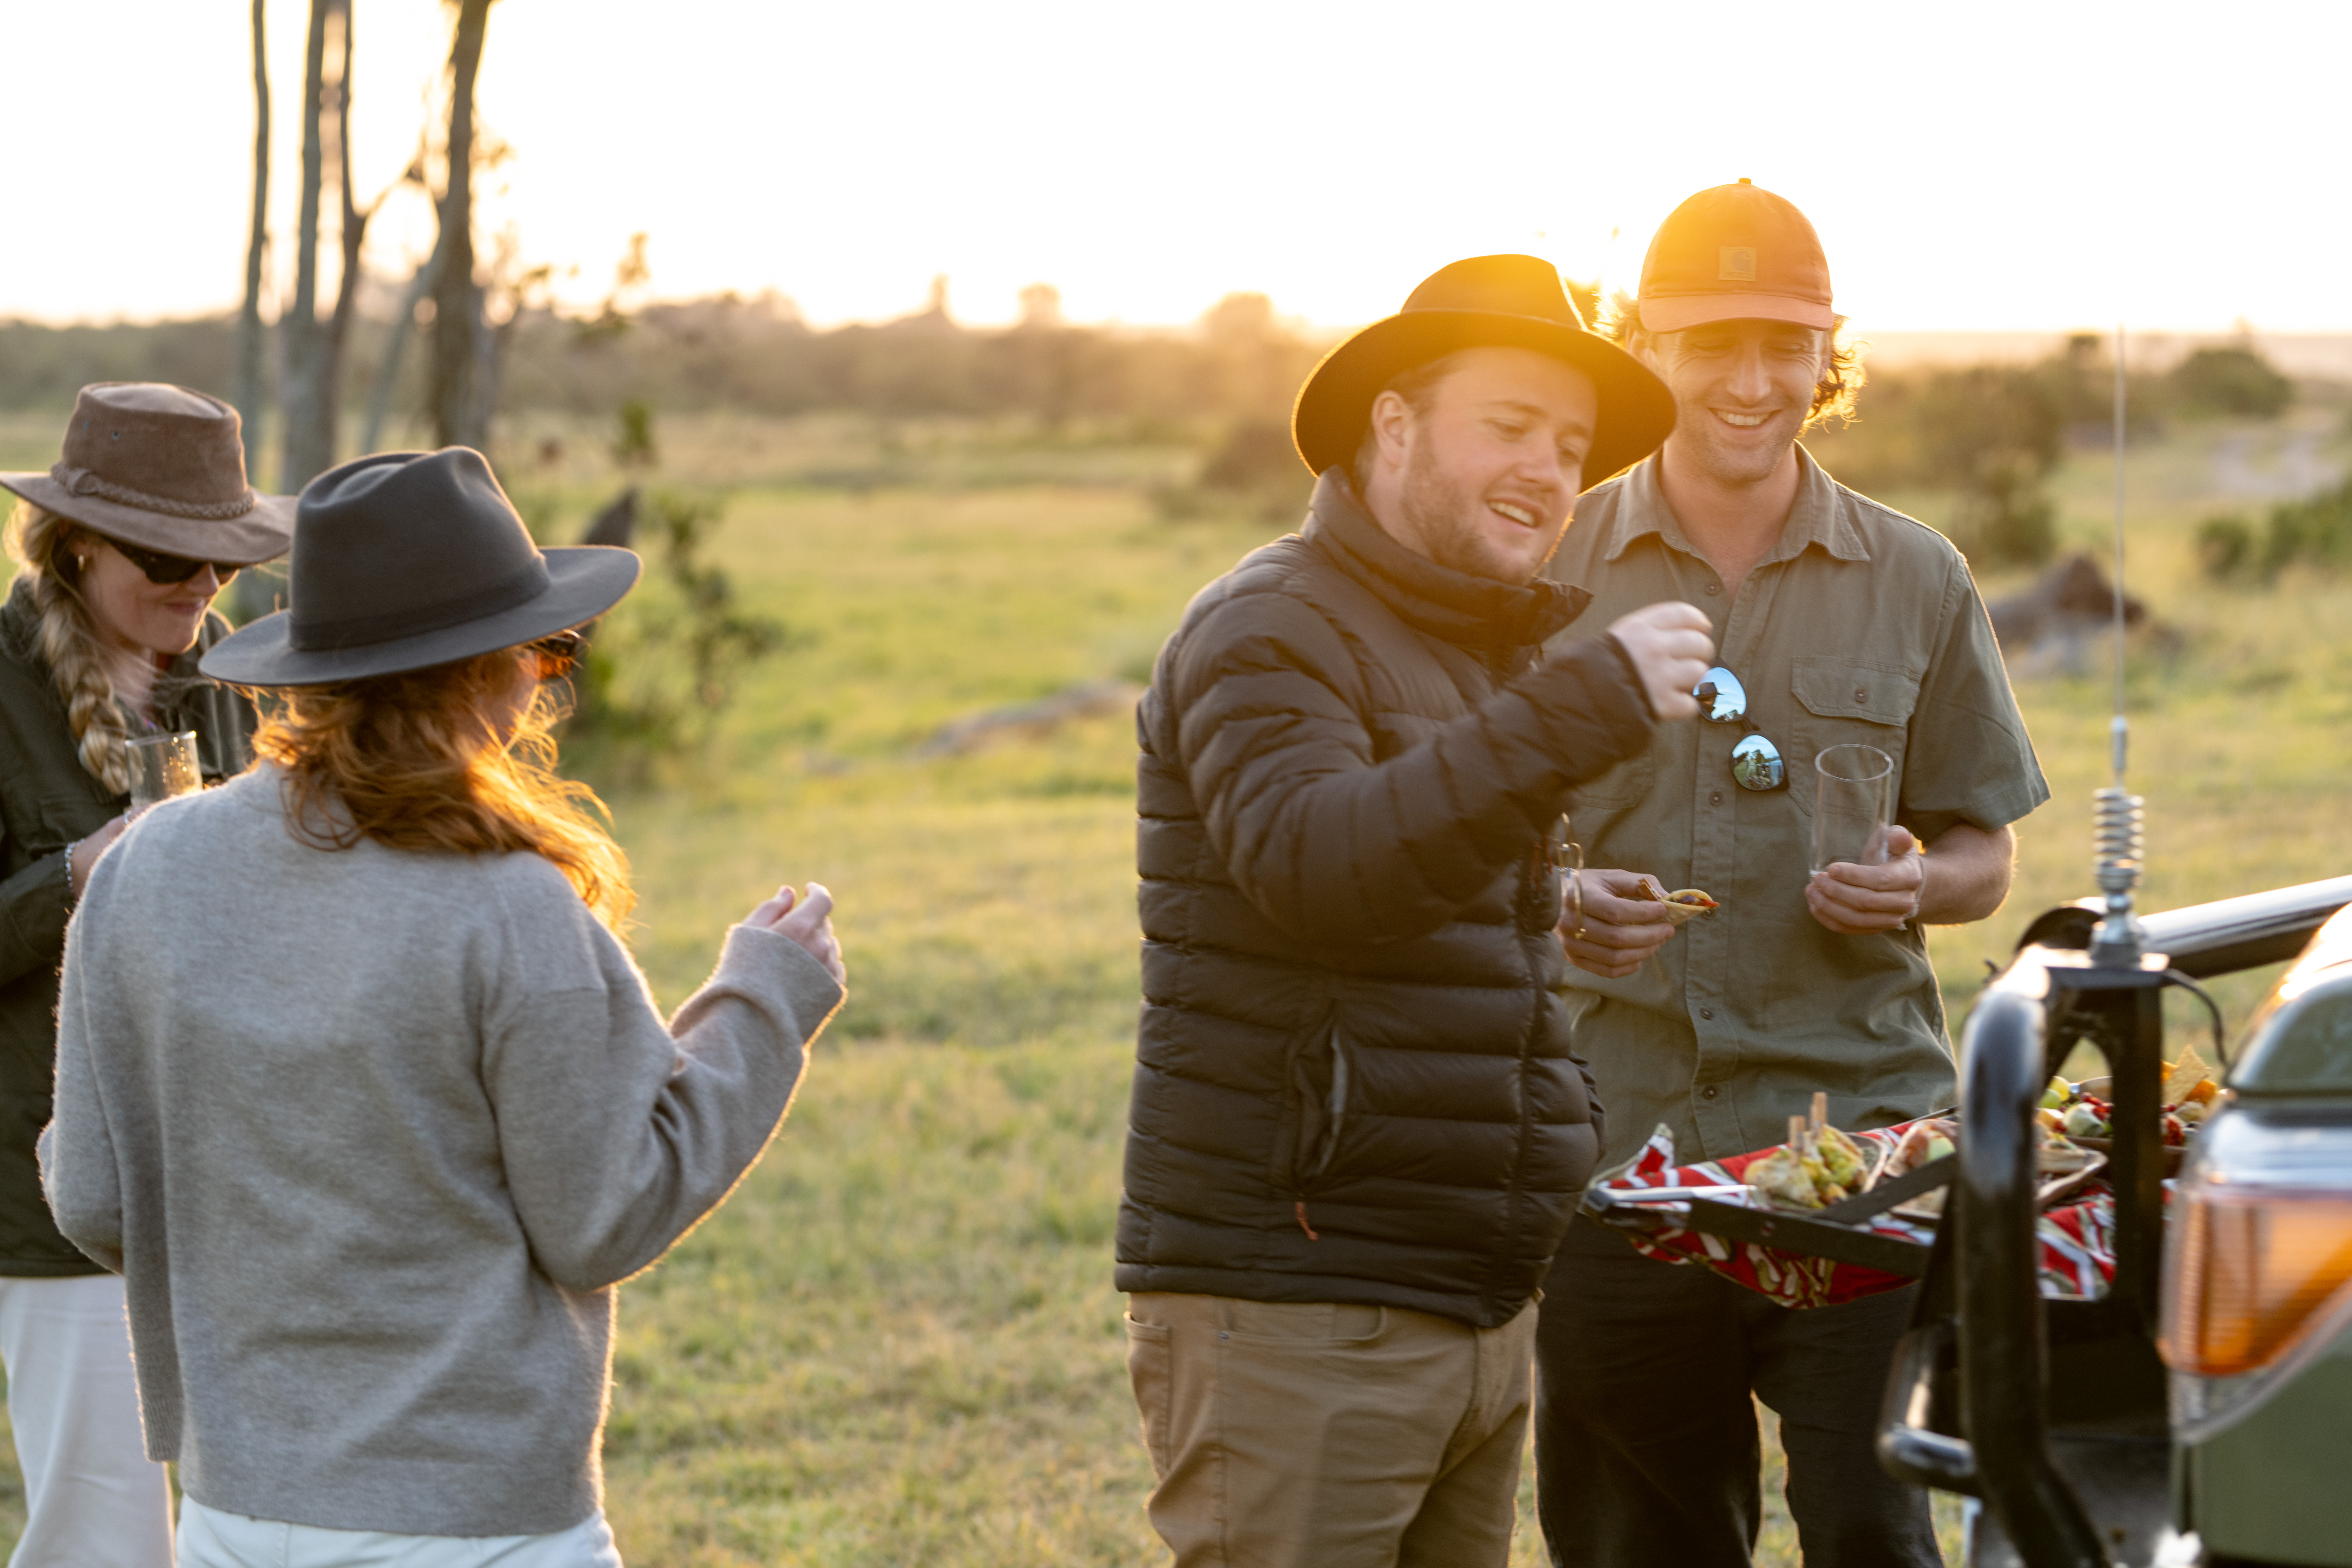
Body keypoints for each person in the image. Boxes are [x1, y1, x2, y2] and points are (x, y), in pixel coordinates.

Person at [40, 446, 847, 1567]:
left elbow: (90, 1195)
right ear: (485, 670)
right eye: (546, 648)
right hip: (479, 1524)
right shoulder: (511, 905)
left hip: (234, 1514)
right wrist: (763, 997)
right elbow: (602, 1219)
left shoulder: (145, 864)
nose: (549, 680)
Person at [1115, 254, 1716, 1567]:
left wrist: (1550, 901)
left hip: (1472, 1293)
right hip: (1305, 1302)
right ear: (1393, 423)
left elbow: (1405, 854)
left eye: (1569, 446)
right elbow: (1320, 869)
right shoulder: (1268, 626)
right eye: (1509, 426)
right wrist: (1580, 705)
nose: (1550, 473)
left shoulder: (1452, 643)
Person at [1531, 181, 2049, 1566]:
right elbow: (1481, 834)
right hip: (1611, 1152)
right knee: (1639, 1540)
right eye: (1714, 343)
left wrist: (1916, 881)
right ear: (1646, 348)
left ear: (1831, 354)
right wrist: (1561, 903)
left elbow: (1985, 853)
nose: (1751, 381)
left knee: (1877, 1534)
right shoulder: (1550, 566)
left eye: (1786, 342)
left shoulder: (1919, 573)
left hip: (1862, 1156)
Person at [0, 382, 296, 1566]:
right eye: (170, 557)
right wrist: (82, 871)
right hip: (53, 1176)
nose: (197, 588)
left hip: (225, 1168)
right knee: (105, 1539)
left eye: (220, 563)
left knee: (251, 1513)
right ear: (77, 541)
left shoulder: (222, 671)